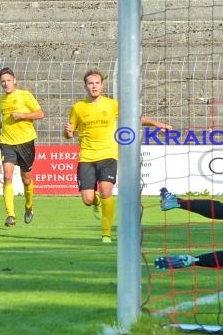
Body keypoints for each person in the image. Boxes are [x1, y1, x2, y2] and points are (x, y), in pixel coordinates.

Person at [63, 70, 172, 244]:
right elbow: (69, 133)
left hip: (108, 155)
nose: (94, 86)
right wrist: (67, 132)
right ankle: (95, 202)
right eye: (90, 83)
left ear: (102, 85)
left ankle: (106, 234)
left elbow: (133, 118)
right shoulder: (78, 107)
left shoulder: (112, 104)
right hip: (86, 157)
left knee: (107, 190)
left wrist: (158, 124)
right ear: (85, 86)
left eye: (97, 83)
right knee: (87, 199)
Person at [0, 67, 45, 227]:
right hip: (7, 142)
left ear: (14, 80)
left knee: (26, 179)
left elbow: (40, 114)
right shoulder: (3, 99)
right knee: (7, 175)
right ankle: (11, 215)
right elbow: (6, 120)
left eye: (8, 80)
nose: (6, 83)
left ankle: (29, 206)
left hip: (26, 142)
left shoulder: (25, 95)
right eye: (3, 81)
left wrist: (22, 115)